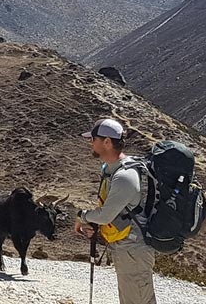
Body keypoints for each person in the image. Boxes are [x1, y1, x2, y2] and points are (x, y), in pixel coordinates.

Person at [73, 118, 156, 304]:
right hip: (127, 250)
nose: (90, 143)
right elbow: (116, 214)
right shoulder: (113, 170)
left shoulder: (124, 176)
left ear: (107, 142)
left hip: (133, 251)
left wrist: (82, 216)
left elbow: (105, 215)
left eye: (93, 138)